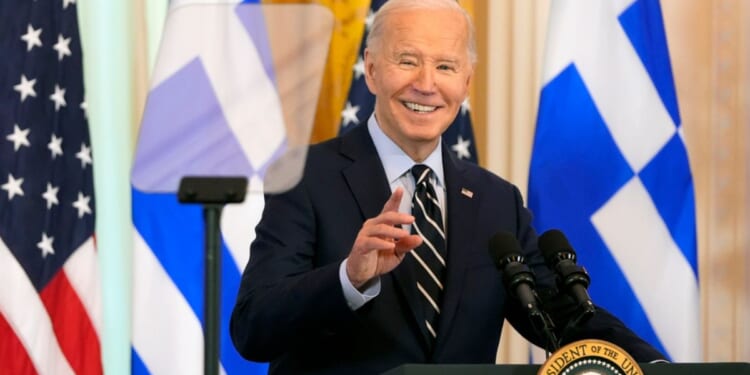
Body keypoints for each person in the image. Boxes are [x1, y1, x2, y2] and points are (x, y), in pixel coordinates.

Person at [230, 0, 666, 373]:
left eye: (445, 66)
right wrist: (350, 277)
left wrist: (654, 365)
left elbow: (561, 314)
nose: (426, 83)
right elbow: (252, 327)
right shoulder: (306, 177)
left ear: (466, 82)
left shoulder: (498, 201)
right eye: (407, 60)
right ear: (372, 69)